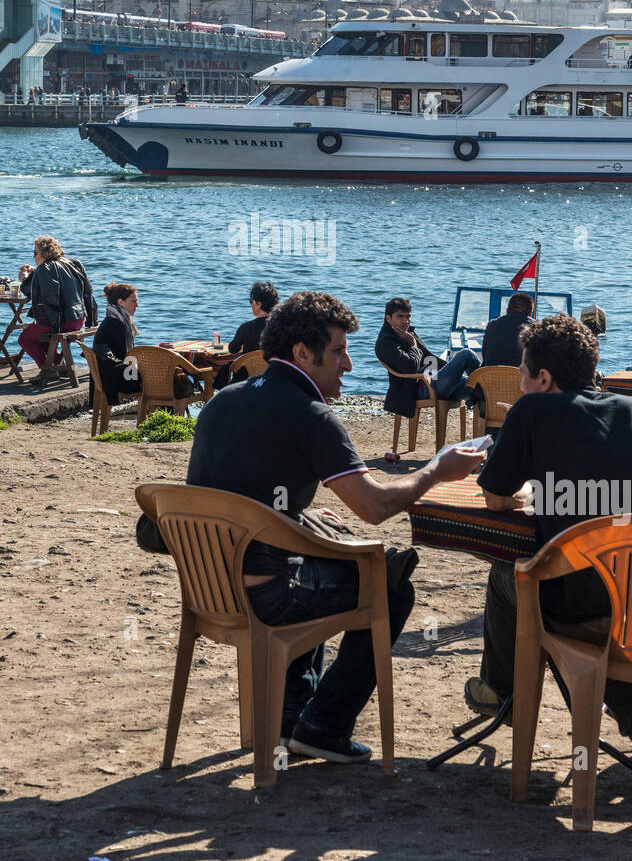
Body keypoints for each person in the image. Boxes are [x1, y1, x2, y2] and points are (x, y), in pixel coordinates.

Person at [187, 290, 483, 763]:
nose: (347, 364)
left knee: (316, 556)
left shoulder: (224, 401)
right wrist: (437, 469)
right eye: (339, 351)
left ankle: (291, 722)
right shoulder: (312, 415)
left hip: (208, 585)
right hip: (267, 595)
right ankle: (323, 728)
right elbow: (375, 506)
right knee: (387, 589)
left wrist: (298, 517)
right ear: (303, 354)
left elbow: (232, 492)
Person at [468, 313, 632, 791]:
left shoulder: (531, 412)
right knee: (594, 611)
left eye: (524, 373)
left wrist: (529, 499)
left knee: (517, 578)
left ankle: (499, 690)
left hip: (581, 605)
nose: (522, 383)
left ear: (543, 378)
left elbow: (492, 499)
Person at [375, 296, 480, 421]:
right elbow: (410, 367)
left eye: (408, 316)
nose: (406, 321)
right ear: (388, 318)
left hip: (434, 380)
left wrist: (449, 373)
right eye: (400, 316)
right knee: (466, 355)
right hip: (419, 390)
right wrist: (413, 345)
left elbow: (428, 361)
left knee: (480, 385)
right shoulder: (386, 342)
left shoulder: (406, 334)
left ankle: (492, 422)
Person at [18, 236, 97, 386]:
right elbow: (88, 291)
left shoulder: (45, 269)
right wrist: (36, 274)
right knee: (37, 333)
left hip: (60, 321)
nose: (33, 256)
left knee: (25, 338)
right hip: (79, 318)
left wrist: (26, 279)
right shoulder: (73, 263)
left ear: (45, 254)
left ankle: (47, 369)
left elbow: (32, 292)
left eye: (35, 253)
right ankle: (59, 366)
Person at [214, 281, 280, 389]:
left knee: (225, 369)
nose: (251, 304)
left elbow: (233, 349)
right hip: (275, 377)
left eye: (251, 301)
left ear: (259, 304)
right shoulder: (283, 328)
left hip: (247, 381)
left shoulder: (246, 328)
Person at [91, 282, 141, 407]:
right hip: (116, 380)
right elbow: (123, 358)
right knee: (161, 379)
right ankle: (161, 418)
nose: (137, 305)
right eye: (133, 301)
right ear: (121, 302)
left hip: (110, 376)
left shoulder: (113, 319)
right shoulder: (117, 325)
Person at [481, 292, 534, 367]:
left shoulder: (492, 324)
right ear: (530, 314)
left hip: (488, 376)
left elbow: (485, 356)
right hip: (520, 377)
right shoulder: (536, 329)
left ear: (507, 310)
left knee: (466, 354)